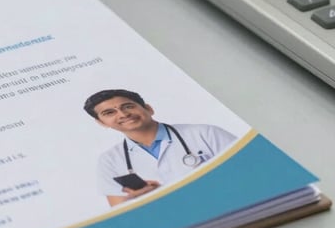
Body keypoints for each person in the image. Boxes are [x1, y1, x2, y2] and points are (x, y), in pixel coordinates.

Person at [84, 88, 237, 207]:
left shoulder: (205, 133)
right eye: (109, 113)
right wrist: (137, 198)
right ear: (102, 123)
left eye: (128, 106)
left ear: (148, 109)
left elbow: (248, 169)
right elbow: (119, 210)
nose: (123, 114)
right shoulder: (110, 160)